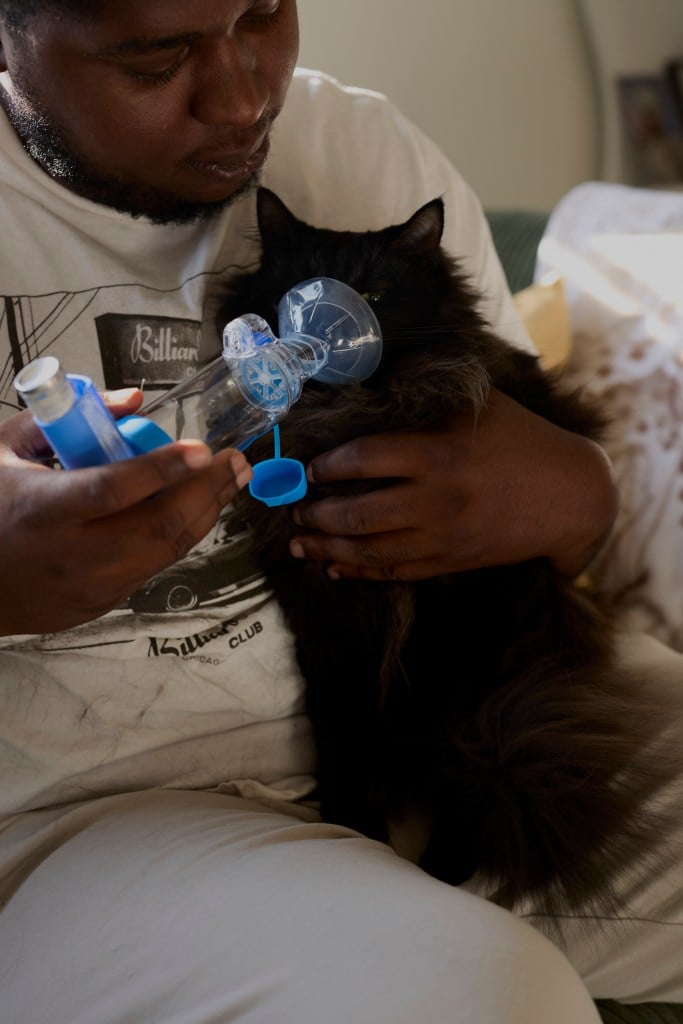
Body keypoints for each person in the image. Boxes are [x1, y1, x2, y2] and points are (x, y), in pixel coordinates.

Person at [0, 3, 680, 1022]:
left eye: (264, 12)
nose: (241, 97)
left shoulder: (360, 145)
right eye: (155, 52)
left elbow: (533, 480)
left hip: (462, 719)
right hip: (100, 813)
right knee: (483, 996)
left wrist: (576, 489)